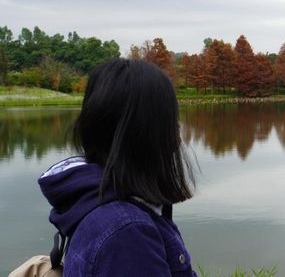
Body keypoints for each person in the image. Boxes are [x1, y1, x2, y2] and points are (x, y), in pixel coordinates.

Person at [38, 59, 197, 276]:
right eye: (170, 121)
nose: (178, 136)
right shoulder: (127, 234)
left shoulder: (101, 202)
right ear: (144, 132)